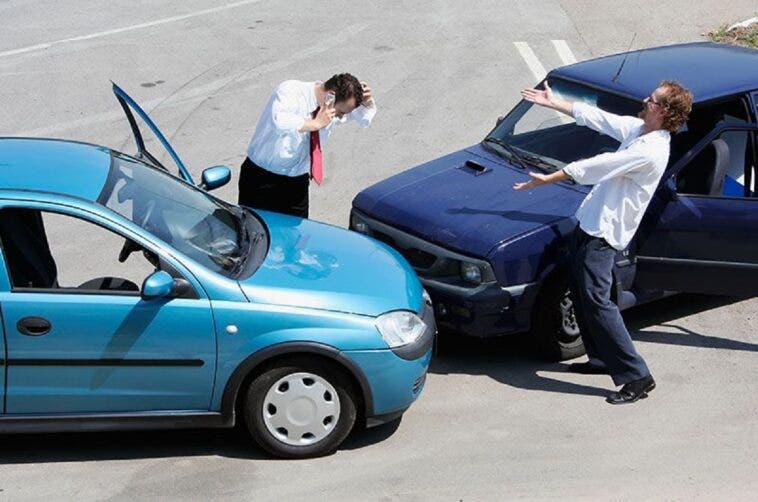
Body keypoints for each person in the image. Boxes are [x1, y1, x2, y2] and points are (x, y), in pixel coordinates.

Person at [513, 79, 692, 404]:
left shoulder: (650, 151)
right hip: (591, 224)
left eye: (651, 99)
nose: (644, 99)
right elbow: (599, 118)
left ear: (663, 111)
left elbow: (600, 165)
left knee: (598, 302)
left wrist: (551, 178)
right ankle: (599, 359)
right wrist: (555, 103)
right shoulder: (641, 131)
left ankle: (637, 376)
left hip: (604, 235)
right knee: (586, 295)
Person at [238, 73, 376, 218]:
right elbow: (279, 121)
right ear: (331, 96)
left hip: (297, 184)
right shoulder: (290, 90)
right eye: (341, 112)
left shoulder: (329, 109)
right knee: (254, 233)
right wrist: (315, 124)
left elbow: (363, 119)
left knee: (298, 235)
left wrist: (367, 102)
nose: (340, 117)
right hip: (261, 180)